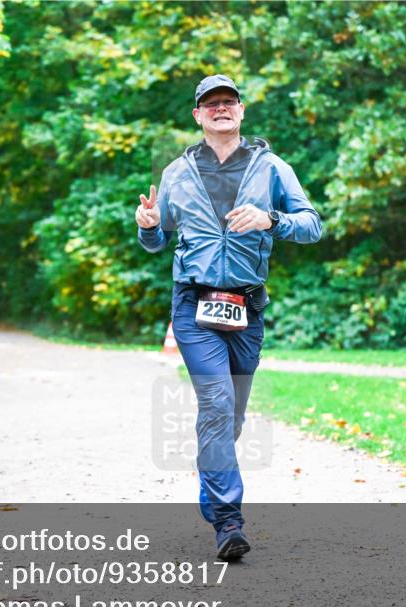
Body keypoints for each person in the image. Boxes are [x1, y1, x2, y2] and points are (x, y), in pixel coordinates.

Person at [135, 75, 322, 559]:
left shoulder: (272, 167)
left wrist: (272, 220)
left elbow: (312, 225)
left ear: (241, 111)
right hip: (193, 305)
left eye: (228, 102)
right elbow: (159, 241)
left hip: (247, 306)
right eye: (210, 104)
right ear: (197, 115)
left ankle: (211, 485)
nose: (220, 109)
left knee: (231, 416)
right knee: (216, 403)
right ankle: (228, 520)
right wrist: (150, 228)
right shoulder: (177, 172)